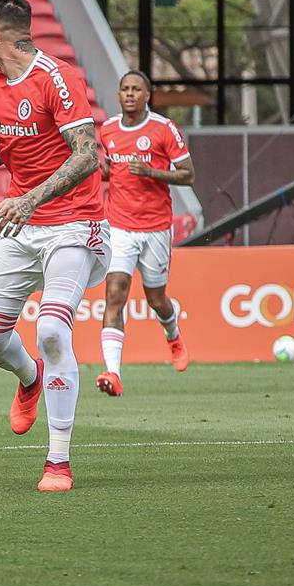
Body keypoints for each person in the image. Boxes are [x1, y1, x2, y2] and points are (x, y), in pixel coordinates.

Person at [0, 0, 106, 493]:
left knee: (53, 329)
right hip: (21, 224)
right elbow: (6, 142)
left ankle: (58, 461)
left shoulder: (59, 78)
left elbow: (88, 154)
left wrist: (31, 199)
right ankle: (30, 377)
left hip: (73, 223)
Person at [94, 70, 194, 397]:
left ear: (147, 95)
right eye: (125, 89)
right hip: (119, 226)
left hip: (155, 228)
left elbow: (188, 174)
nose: (130, 94)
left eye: (137, 89)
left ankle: (173, 335)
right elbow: (110, 169)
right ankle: (113, 372)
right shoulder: (107, 129)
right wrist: (104, 171)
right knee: (115, 295)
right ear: (119, 94)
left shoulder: (164, 129)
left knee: (156, 299)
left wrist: (150, 171)